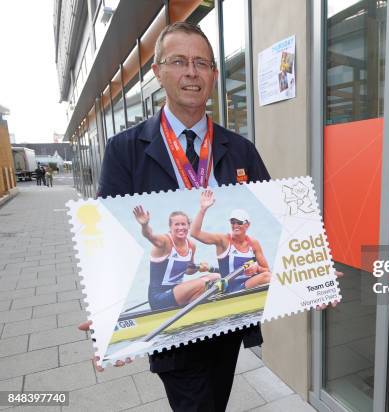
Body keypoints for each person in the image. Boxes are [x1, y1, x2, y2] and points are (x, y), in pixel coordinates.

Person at [78, 21, 270, 411]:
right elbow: (109, 239)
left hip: (226, 324)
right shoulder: (125, 150)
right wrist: (107, 311)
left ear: (214, 75)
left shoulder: (240, 149)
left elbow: (272, 220)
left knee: (215, 401)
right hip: (171, 331)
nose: (191, 73)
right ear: (158, 72)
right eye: (179, 61)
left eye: (201, 63)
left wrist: (312, 271)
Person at [133, 206, 220, 310]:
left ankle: (197, 306)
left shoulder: (191, 245)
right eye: (176, 224)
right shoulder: (165, 242)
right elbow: (150, 236)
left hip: (177, 292)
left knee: (216, 276)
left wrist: (199, 268)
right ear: (170, 227)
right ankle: (198, 306)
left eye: (183, 224)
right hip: (159, 298)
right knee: (204, 282)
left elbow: (188, 270)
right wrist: (144, 225)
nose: (180, 227)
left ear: (188, 226)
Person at [191, 189, 271, 294]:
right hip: (231, 289)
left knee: (269, 275)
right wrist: (203, 209)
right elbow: (194, 233)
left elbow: (266, 269)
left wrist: (257, 268)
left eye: (239, 222)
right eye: (233, 222)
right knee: (267, 277)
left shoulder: (254, 244)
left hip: (250, 284)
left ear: (248, 225)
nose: (235, 225)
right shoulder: (223, 241)